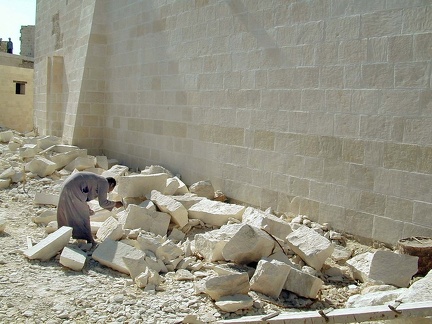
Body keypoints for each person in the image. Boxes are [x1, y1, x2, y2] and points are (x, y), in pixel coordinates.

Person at [56, 172, 123, 246]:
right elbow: (103, 203)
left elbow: (83, 198)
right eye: (111, 189)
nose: (109, 192)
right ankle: (87, 239)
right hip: (74, 189)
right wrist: (115, 204)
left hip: (67, 185)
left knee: (64, 211)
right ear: (112, 185)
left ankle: (60, 235)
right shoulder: (104, 183)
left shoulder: (96, 180)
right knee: (82, 216)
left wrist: (88, 209)